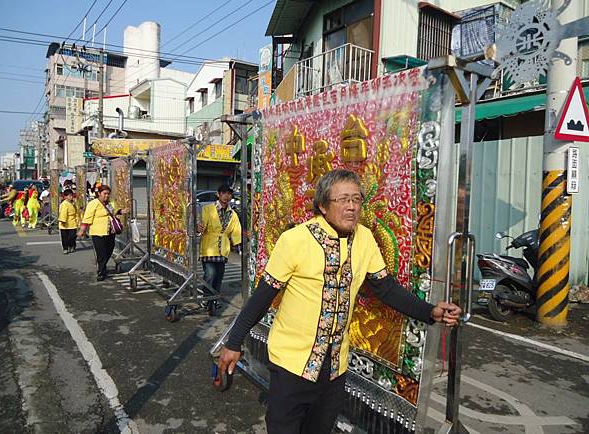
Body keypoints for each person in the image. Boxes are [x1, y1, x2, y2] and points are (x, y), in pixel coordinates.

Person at [217, 169, 462, 434]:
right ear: (323, 205)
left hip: (334, 367)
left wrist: (431, 311)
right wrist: (234, 342)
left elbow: (386, 288)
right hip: (291, 364)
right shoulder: (295, 240)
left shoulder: (365, 238)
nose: (352, 207)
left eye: (356, 200)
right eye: (343, 199)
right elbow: (263, 297)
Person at [197, 183, 241, 309]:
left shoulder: (232, 214)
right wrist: (199, 227)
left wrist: (238, 245)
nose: (227, 196)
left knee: (219, 276)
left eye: (229, 194)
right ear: (218, 194)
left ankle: (215, 298)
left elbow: (236, 230)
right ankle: (206, 298)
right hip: (209, 247)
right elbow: (202, 224)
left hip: (223, 249)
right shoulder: (208, 209)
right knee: (210, 274)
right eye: (224, 193)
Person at [77, 185, 128, 281]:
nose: (107, 196)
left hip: (110, 231)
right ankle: (101, 272)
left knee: (109, 251)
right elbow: (87, 218)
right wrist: (82, 230)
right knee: (101, 253)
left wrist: (121, 211)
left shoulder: (111, 203)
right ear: (99, 193)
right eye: (105, 193)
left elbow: (115, 212)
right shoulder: (93, 203)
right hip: (98, 232)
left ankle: (102, 265)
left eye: (108, 194)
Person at [58, 189, 78, 253]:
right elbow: (63, 213)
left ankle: (72, 245)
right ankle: (65, 248)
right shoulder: (64, 204)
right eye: (69, 196)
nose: (71, 197)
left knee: (72, 236)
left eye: (72, 195)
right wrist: (63, 220)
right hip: (65, 222)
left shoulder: (73, 203)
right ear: (65, 197)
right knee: (64, 237)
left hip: (72, 222)